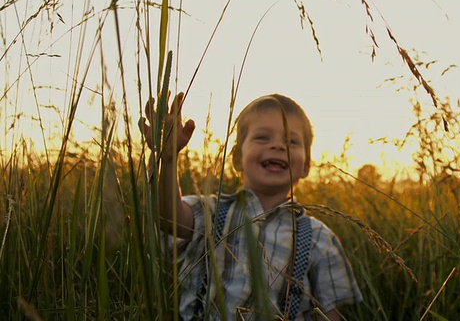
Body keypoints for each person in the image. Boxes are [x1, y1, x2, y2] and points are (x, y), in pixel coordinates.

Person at [139, 92, 363, 320]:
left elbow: (330, 314)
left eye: (291, 141)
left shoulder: (319, 239)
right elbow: (168, 218)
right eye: (263, 138)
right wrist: (167, 159)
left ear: (306, 166)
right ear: (236, 158)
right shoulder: (211, 212)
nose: (277, 145)